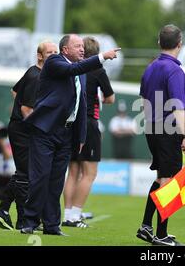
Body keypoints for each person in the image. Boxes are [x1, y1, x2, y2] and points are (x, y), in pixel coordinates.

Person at [20, 34, 120, 236]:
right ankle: (29, 221)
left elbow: (82, 106)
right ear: (65, 50)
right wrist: (102, 57)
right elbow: (72, 69)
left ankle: (51, 225)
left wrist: (81, 137)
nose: (82, 49)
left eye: (83, 46)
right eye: (77, 46)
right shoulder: (55, 62)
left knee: (57, 180)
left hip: (66, 133)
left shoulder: (81, 71)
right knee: (41, 177)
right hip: (45, 130)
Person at [136, 24, 185, 246]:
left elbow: (143, 103)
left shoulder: (150, 68)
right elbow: (179, 108)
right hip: (167, 130)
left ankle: (146, 227)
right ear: (180, 43)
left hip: (152, 128)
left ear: (159, 42)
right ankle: (161, 235)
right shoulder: (175, 71)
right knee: (168, 182)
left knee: (161, 178)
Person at [0, 41, 58, 231]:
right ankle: (22, 219)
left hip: (21, 127)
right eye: (49, 52)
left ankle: (4, 211)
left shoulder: (36, 73)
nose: (54, 55)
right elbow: (26, 108)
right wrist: (38, 126)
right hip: (23, 130)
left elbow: (15, 91)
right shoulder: (36, 76)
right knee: (26, 174)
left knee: (25, 172)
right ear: (39, 56)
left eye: (56, 52)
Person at [62, 36, 115, 228]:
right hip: (89, 123)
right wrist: (99, 96)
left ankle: (67, 214)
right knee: (89, 173)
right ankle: (75, 215)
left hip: (72, 122)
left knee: (73, 172)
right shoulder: (97, 70)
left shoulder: (74, 68)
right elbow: (110, 98)